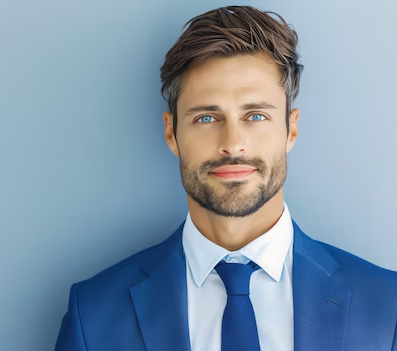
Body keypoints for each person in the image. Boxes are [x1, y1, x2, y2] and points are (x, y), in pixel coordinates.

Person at [54, 5, 397, 351]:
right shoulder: (94, 316)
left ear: (291, 129)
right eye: (206, 118)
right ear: (171, 133)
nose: (232, 144)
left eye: (256, 115)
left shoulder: (388, 306)